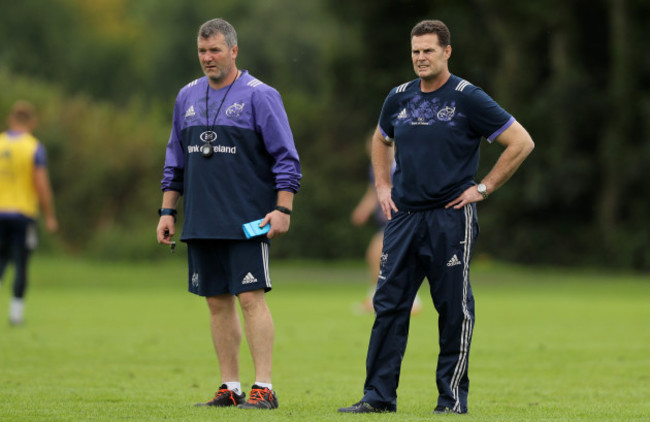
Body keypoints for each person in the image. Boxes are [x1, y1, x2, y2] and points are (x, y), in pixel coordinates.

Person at [338, 20, 534, 415]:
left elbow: (521, 141)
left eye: (428, 50)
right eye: (415, 51)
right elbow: (380, 138)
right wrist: (381, 187)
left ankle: (451, 400)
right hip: (403, 218)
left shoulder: (468, 97)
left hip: (450, 218)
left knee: (452, 308)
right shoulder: (398, 97)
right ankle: (377, 397)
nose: (420, 58)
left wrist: (483, 188)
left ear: (447, 52)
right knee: (389, 305)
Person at [156, 18, 301, 410]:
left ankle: (264, 387)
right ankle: (230, 387)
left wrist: (283, 207)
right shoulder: (186, 95)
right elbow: (175, 160)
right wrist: (168, 210)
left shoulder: (260, 95)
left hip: (247, 218)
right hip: (202, 219)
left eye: (215, 50)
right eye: (202, 51)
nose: (208, 57)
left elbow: (286, 158)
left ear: (233, 51)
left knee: (250, 298)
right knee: (216, 302)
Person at [0, 100, 58, 325]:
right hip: (23, 214)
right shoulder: (33, 147)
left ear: (10, 119)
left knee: (1, 261)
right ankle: (16, 314)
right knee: (21, 262)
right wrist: (50, 215)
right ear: (31, 122)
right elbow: (41, 185)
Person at [350, 134, 422, 315]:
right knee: (384, 258)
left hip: (401, 219)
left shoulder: (402, 165)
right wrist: (363, 210)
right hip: (386, 221)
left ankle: (404, 299)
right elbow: (373, 192)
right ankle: (384, 297)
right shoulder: (375, 167)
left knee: (378, 254)